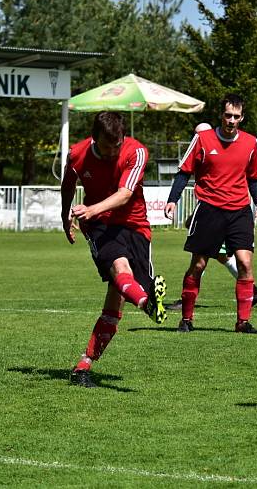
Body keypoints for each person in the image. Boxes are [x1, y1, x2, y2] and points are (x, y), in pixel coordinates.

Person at [62, 111, 167, 388]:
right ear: (94, 138)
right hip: (99, 225)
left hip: (135, 227)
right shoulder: (77, 155)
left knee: (116, 298)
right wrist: (66, 217)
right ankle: (147, 303)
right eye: (107, 146)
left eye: (117, 145)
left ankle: (83, 365)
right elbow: (68, 185)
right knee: (121, 270)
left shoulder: (137, 152)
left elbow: (125, 194)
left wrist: (91, 207)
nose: (113, 152)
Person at [164, 94, 257, 334]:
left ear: (242, 118)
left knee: (244, 262)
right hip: (209, 208)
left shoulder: (251, 142)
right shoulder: (202, 139)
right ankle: (187, 319)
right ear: (221, 115)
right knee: (198, 265)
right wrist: (173, 200)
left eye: (236, 116)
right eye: (228, 115)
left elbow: (254, 177)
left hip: (240, 210)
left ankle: (243, 322)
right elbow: (183, 172)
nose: (231, 120)